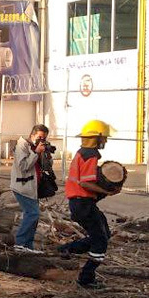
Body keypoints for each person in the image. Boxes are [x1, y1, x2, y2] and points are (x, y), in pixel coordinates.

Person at [59, 120, 119, 288]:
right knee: (101, 242)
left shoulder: (82, 152)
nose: (105, 141)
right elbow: (85, 183)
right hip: (82, 204)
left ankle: (67, 249)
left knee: (104, 234)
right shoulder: (90, 155)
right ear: (96, 138)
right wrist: (106, 191)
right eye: (104, 138)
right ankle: (86, 278)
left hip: (81, 204)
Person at [11, 124, 51, 253]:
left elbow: (45, 166)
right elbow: (23, 166)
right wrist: (36, 153)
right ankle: (20, 243)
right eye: (39, 137)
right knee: (32, 214)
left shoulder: (36, 148)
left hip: (32, 188)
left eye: (43, 138)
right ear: (32, 135)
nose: (41, 140)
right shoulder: (22, 146)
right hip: (22, 187)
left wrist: (45, 154)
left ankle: (28, 246)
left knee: (34, 216)